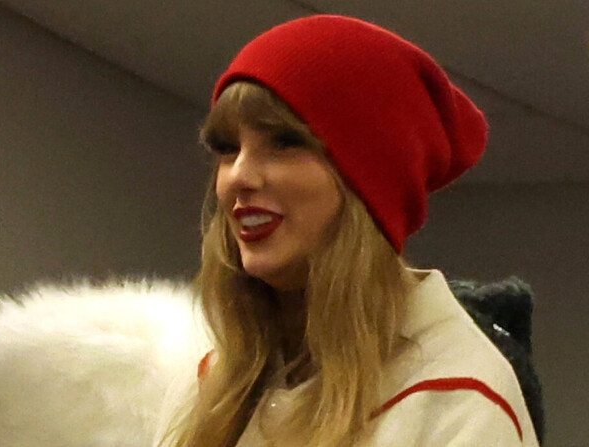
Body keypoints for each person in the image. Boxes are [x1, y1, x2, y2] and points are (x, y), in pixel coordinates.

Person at [160, 14, 541, 447]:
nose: (238, 177)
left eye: (285, 142)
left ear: (366, 185)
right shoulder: (208, 385)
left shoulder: (458, 400)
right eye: (228, 148)